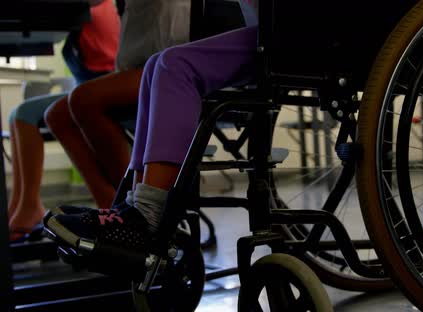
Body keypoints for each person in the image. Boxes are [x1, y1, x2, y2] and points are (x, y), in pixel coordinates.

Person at [45, 0, 259, 251]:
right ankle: (129, 209)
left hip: (285, 35)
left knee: (173, 67)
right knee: (156, 66)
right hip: (277, 31)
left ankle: (146, 215)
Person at [44, 0, 192, 213]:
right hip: (146, 63)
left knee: (83, 100)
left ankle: (133, 208)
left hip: (173, 63)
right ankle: (110, 207)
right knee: (57, 116)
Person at [7, 0, 119, 243]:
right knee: (16, 114)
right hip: (95, 89)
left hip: (107, 90)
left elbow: (107, 63)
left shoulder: (99, 7)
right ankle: (22, 204)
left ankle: (28, 207)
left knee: (26, 114)